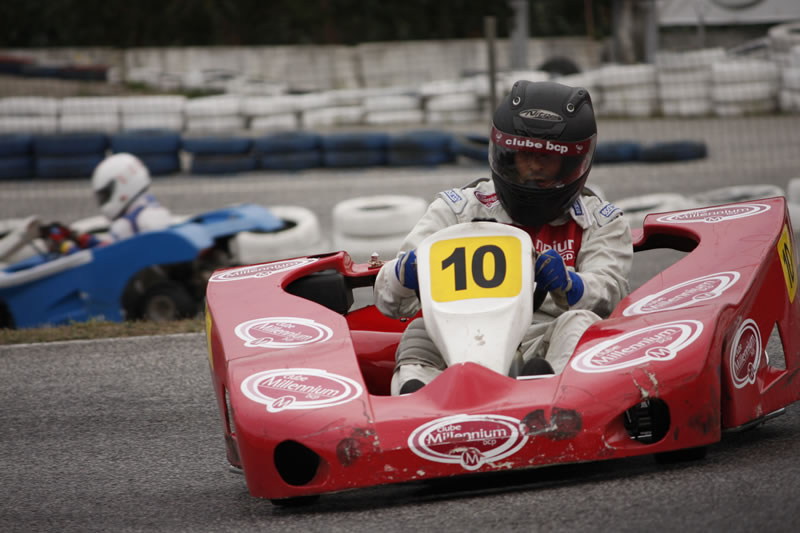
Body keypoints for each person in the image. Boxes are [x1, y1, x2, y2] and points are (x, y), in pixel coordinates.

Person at [374, 80, 633, 395]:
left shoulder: (600, 221)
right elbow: (389, 300)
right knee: (419, 330)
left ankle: (554, 396)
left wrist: (570, 284)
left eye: (546, 158)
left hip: (543, 342)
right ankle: (418, 402)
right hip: (459, 340)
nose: (533, 167)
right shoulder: (458, 209)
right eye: (525, 155)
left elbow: (611, 293)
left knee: (581, 322)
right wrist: (405, 273)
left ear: (571, 163)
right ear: (506, 155)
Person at [91, 152, 173, 241]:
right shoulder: (148, 207)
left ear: (123, 182)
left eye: (105, 195)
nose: (103, 200)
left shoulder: (144, 218)